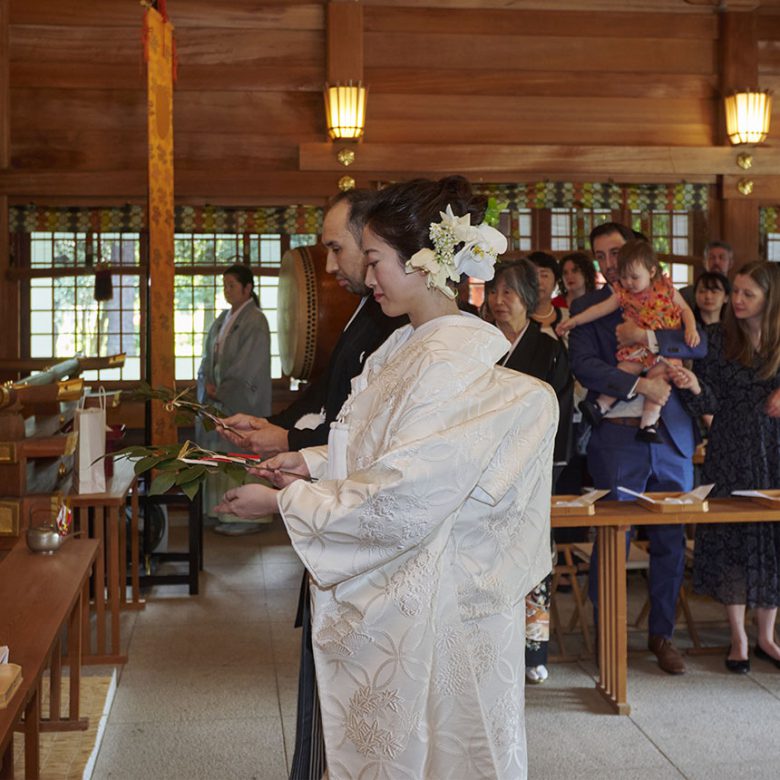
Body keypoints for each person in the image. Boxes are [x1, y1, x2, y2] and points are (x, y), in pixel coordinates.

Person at [216, 176, 558, 779]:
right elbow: (371, 445)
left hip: (436, 595)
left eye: (373, 260)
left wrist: (286, 504)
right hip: (404, 585)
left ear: (424, 262)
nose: (366, 277)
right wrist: (310, 462)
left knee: (439, 748)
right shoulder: (401, 345)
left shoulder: (453, 355)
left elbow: (411, 486)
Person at [218, 189, 405, 780]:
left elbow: (368, 442)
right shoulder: (371, 310)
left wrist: (285, 483)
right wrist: (281, 435)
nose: (331, 266)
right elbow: (331, 402)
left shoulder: (395, 319)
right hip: (334, 502)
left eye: (341, 250)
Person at [568, 222, 706, 675]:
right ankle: (608, 632)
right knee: (614, 536)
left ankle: (662, 634)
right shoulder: (592, 306)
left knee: (670, 538)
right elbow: (585, 365)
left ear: (638, 256)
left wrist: (648, 340)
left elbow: (698, 343)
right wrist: (637, 381)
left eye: (616, 254)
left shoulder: (667, 291)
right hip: (618, 434)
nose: (609, 265)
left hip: (672, 434)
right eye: (600, 257)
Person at [669, 261, 780, 674]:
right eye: (736, 291)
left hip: (775, 447)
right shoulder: (717, 338)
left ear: (769, 299)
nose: (737, 300)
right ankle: (738, 637)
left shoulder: (778, 339)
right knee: (733, 537)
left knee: (770, 540)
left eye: (748, 294)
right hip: (731, 446)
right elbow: (709, 399)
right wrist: (693, 385)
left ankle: (768, 635)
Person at [485, 258, 573, 685]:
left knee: (534, 562)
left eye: (510, 293)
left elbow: (559, 411)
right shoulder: (478, 345)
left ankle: (534, 650)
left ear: (528, 299)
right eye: (494, 291)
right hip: (482, 472)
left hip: (531, 472)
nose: (499, 302)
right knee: (484, 563)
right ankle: (487, 647)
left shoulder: (549, 348)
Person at [559, 240, 699, 443]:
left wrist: (690, 328)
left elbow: (687, 314)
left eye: (634, 277)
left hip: (665, 359)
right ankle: (601, 405)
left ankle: (649, 424)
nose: (629, 282)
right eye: (624, 277)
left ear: (651, 271)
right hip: (636, 358)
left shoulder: (667, 290)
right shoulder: (621, 295)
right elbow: (598, 311)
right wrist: (573, 321)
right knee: (625, 368)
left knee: (659, 378)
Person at [195, 263, 271, 535]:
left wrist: (223, 389)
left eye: (231, 285)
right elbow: (207, 359)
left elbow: (248, 366)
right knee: (220, 456)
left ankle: (247, 516)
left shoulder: (256, 320)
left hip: (242, 403)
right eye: (224, 285)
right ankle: (222, 512)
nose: (226, 291)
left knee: (240, 455)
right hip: (219, 402)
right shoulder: (223, 319)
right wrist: (208, 384)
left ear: (247, 288)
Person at [680, 240, 735, 308]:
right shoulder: (686, 294)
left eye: (722, 258)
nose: (716, 262)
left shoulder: (735, 293)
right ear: (704, 262)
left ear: (730, 264)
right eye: (712, 258)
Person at [528, 251, 567, 338]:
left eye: (544, 275)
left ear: (555, 283)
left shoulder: (569, 317)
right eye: (532, 275)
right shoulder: (514, 318)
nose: (538, 281)